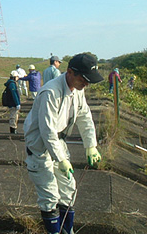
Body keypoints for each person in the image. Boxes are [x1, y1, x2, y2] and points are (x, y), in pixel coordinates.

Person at [24, 53, 103, 234]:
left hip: (59, 142)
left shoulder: (78, 90)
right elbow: (47, 131)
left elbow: (84, 117)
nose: (87, 84)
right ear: (70, 72)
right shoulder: (50, 93)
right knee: (50, 195)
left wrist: (91, 146)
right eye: (84, 79)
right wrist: (60, 159)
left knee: (69, 190)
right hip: (40, 148)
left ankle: (68, 231)